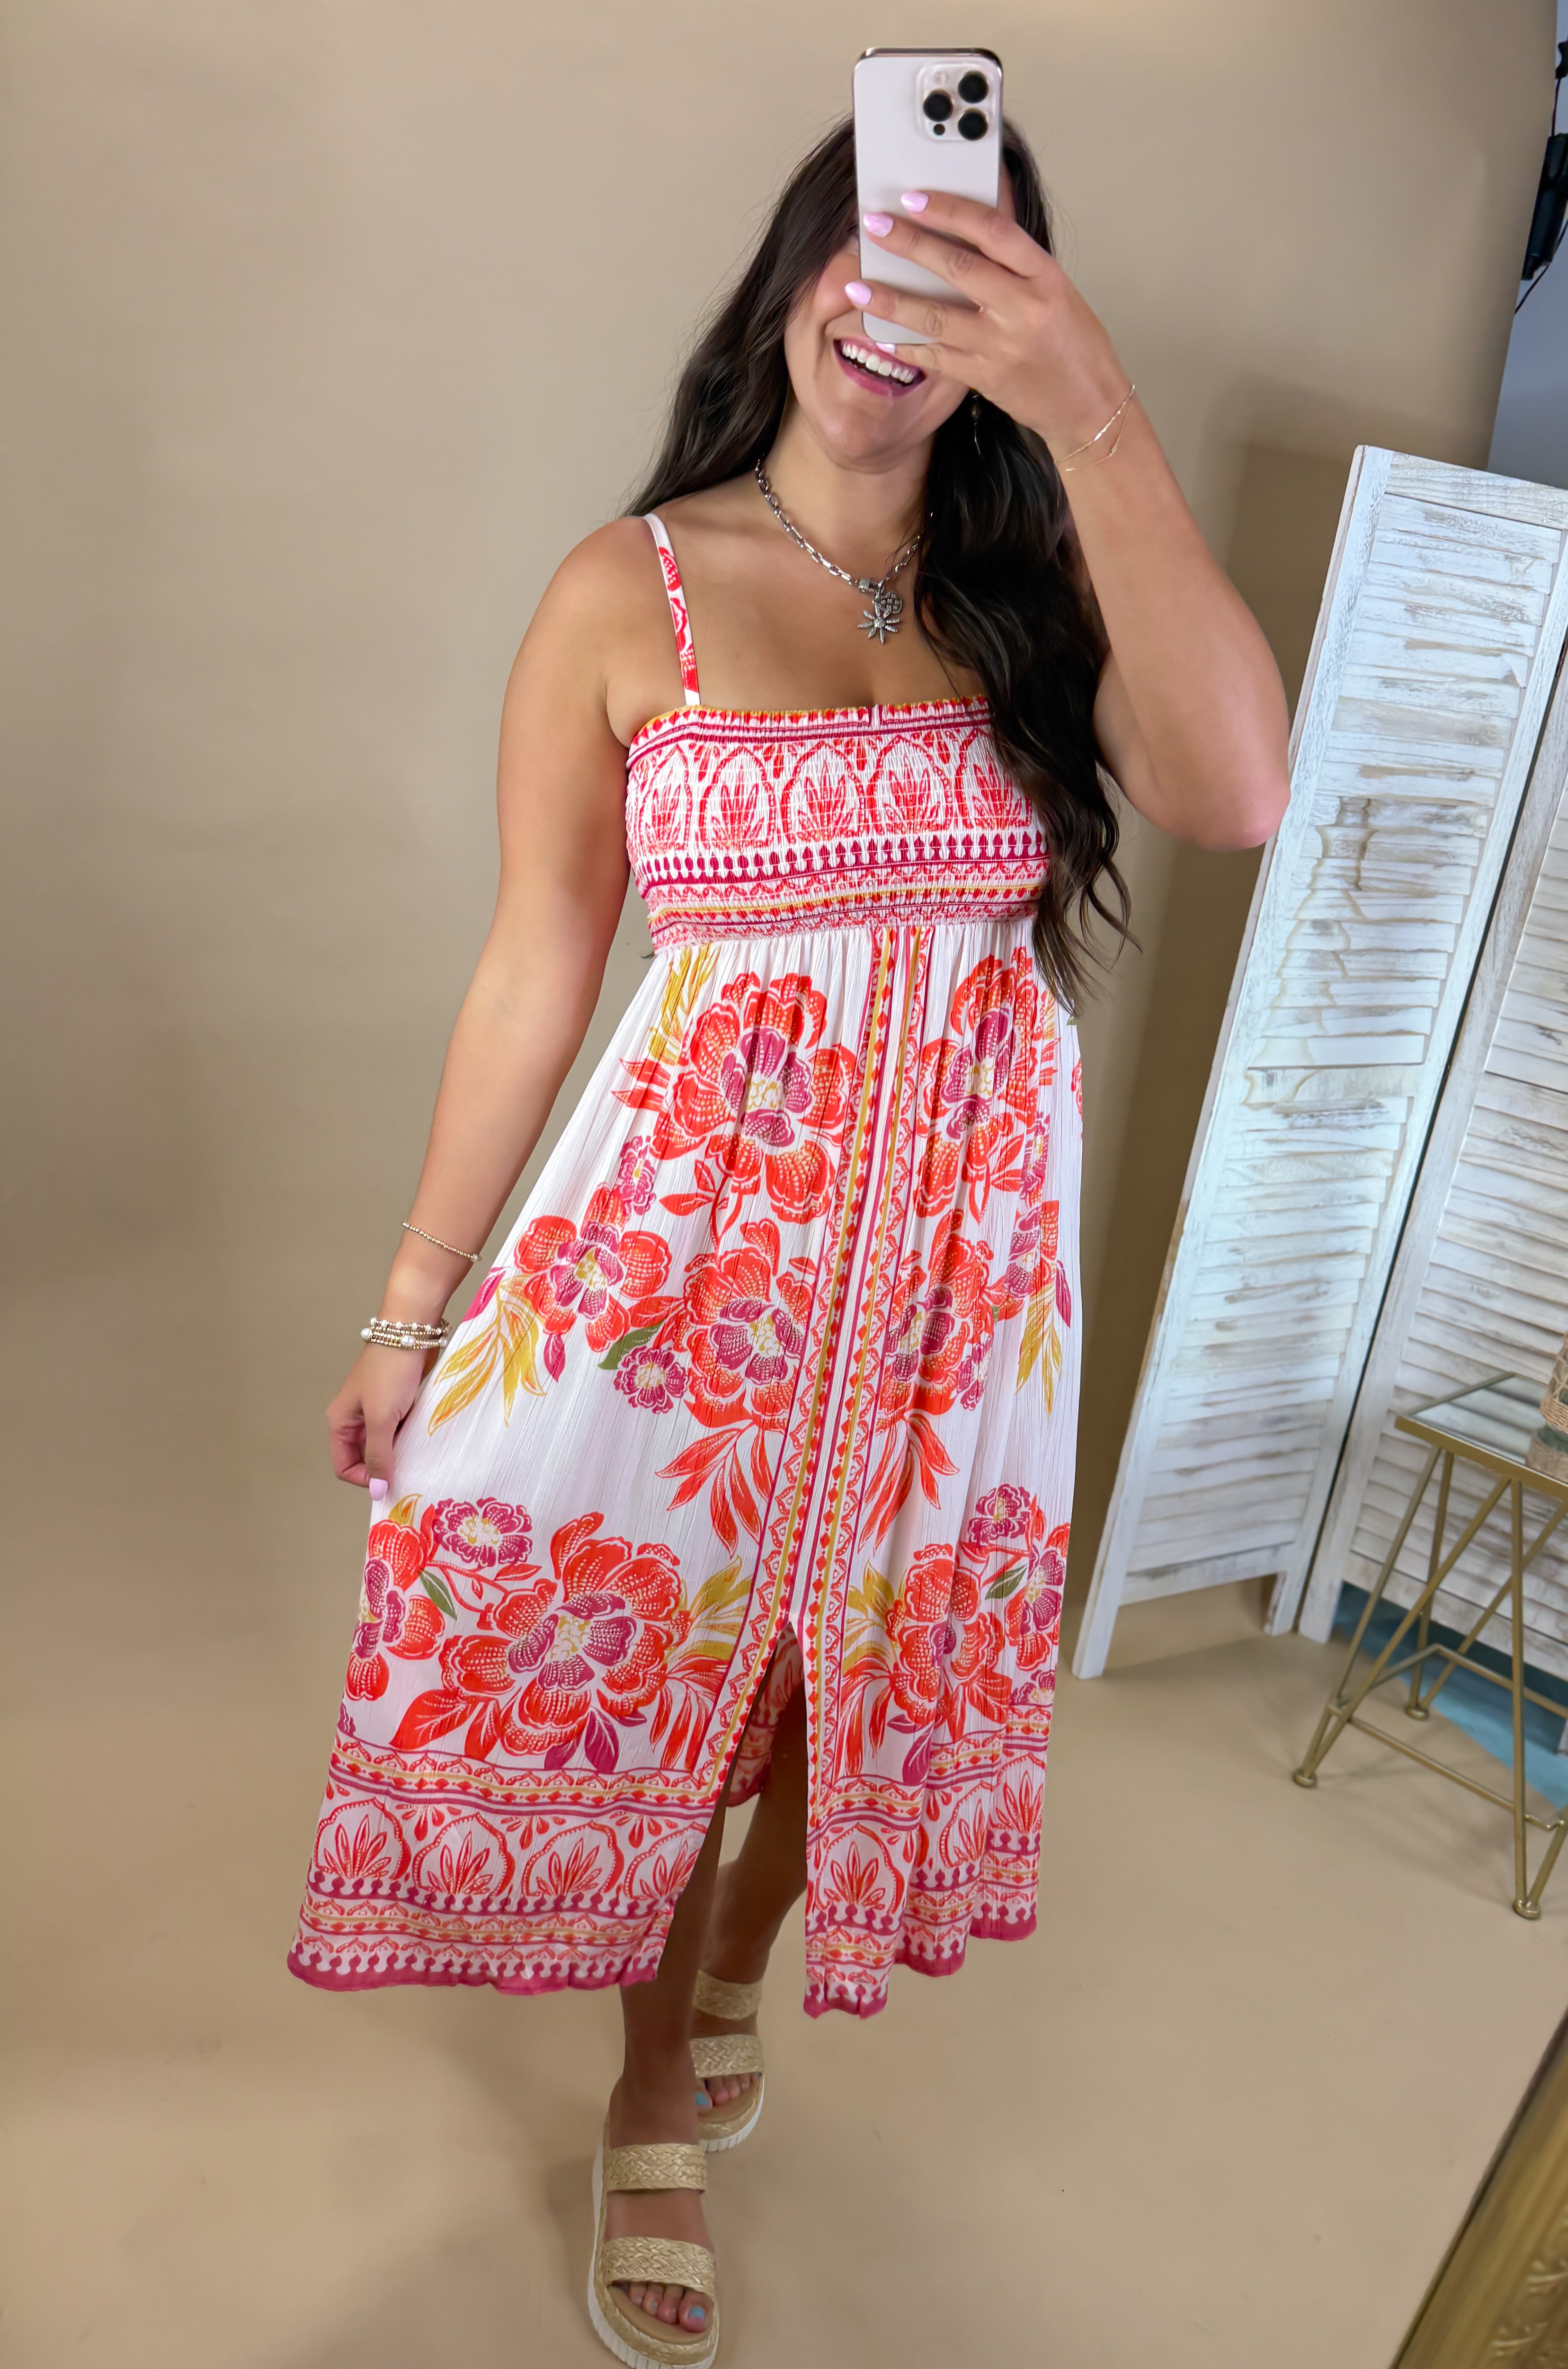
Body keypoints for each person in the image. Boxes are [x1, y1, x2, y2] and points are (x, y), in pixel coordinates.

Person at [291, 113, 1290, 2367]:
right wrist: (408, 1309)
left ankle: (741, 1961)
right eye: (870, 246)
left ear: (1015, 327)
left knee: (871, 1697)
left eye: (964, 273)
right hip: (685, 1292)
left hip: (963, 1293)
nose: (893, 306)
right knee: (683, 1681)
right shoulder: (624, 589)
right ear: (791, 277)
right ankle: (655, 2075)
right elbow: (535, 967)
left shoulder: (1046, 592)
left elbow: (1233, 788)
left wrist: (1099, 417)